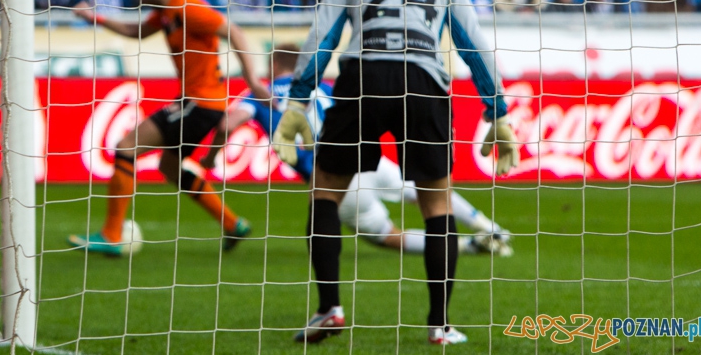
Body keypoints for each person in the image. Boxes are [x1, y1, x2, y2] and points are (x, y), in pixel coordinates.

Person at [271, 0, 520, 345]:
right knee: (436, 203)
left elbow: (321, 38)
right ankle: (440, 325)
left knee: (325, 190)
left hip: (363, 74)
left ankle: (329, 308)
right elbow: (473, 46)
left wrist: (296, 101)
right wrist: (497, 111)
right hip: (424, 81)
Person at [201, 44, 513, 257]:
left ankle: (471, 245)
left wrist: (212, 155)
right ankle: (490, 226)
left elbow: (228, 125)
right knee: (425, 191)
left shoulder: (260, 94)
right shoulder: (320, 87)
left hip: (332, 174)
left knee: (385, 234)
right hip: (366, 157)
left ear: (274, 64)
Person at [68, 0, 271, 256]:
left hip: (200, 103)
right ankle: (232, 223)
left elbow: (234, 32)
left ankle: (111, 234)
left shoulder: (187, 6)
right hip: (197, 103)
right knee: (170, 167)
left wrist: (252, 80)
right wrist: (95, 19)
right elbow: (135, 31)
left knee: (126, 146)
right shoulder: (166, 10)